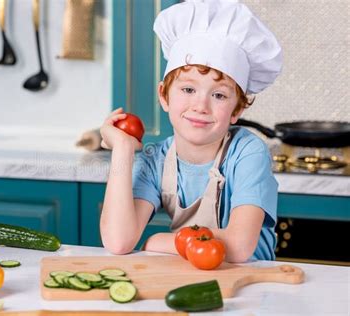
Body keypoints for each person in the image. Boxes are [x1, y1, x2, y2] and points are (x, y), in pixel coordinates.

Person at [99, 0, 283, 262]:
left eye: (219, 95)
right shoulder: (156, 160)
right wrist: (122, 149)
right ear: (164, 95)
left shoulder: (248, 152)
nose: (200, 106)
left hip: (252, 283)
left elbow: (240, 247)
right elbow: (118, 241)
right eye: (188, 90)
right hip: (188, 276)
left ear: (236, 111)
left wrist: (158, 240)